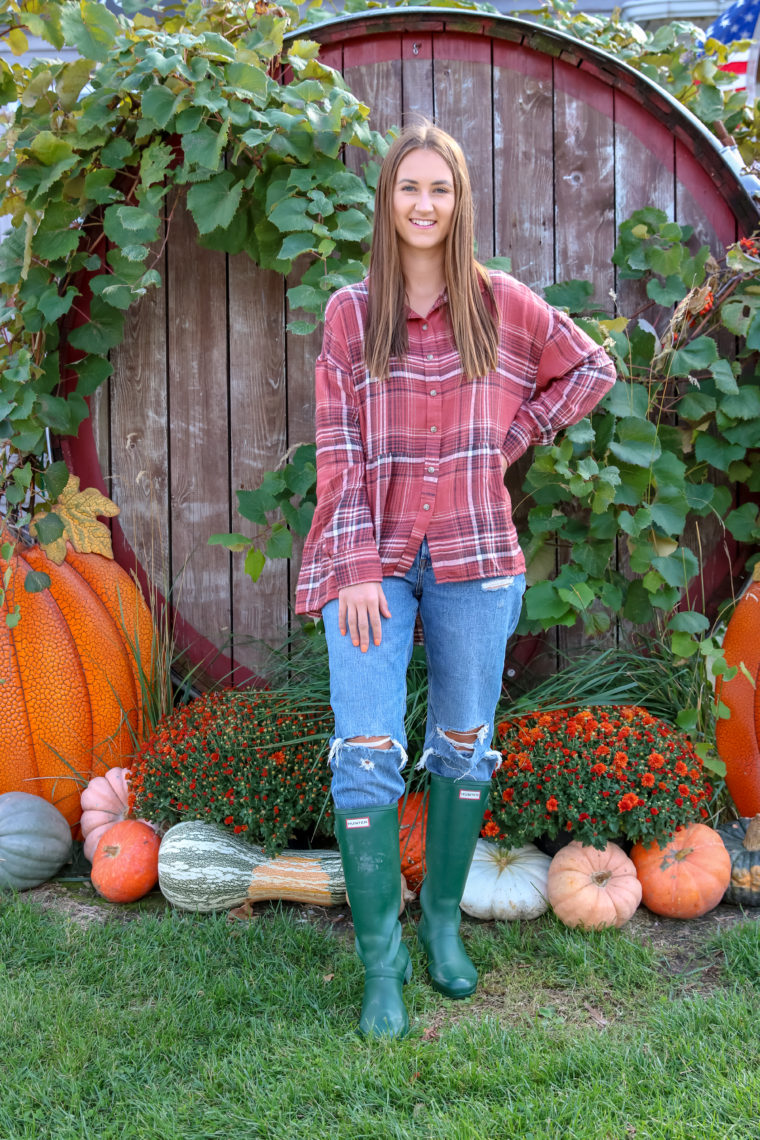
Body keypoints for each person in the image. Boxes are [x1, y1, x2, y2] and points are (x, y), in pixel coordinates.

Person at [295, 121, 617, 1038]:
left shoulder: (504, 306)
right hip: (374, 565)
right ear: (387, 202)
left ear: (460, 201)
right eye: (409, 189)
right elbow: (337, 452)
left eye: (440, 189)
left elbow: (591, 369)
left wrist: (507, 444)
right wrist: (355, 566)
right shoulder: (351, 314)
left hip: (477, 557)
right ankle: (381, 964)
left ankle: (440, 923)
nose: (425, 205)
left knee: (464, 744)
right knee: (365, 751)